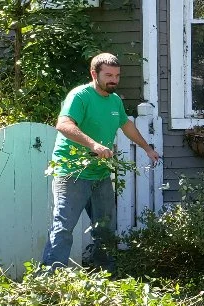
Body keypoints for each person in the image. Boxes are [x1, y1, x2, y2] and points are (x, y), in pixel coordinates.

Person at [41, 53, 160, 273]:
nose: (113, 80)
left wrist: (147, 148)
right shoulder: (80, 96)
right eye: (108, 75)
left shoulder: (115, 100)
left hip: (100, 173)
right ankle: (50, 278)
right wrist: (94, 145)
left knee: (105, 228)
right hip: (72, 172)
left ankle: (104, 274)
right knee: (64, 227)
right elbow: (63, 124)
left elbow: (127, 126)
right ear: (93, 74)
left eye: (117, 75)